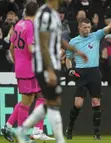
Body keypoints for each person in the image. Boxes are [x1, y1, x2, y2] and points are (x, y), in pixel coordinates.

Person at [13, 0, 88, 143]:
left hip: (51, 64)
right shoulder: (44, 15)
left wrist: (75, 51)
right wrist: (49, 69)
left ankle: (22, 130)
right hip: (45, 65)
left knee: (52, 101)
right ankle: (59, 139)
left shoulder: (54, 15)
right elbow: (43, 43)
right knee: (53, 101)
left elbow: (56, 38)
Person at [65, 8, 111, 140]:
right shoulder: (73, 41)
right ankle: (70, 128)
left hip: (94, 72)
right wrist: (70, 69)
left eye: (88, 27)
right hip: (81, 73)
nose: (87, 30)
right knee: (78, 104)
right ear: (79, 27)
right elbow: (68, 59)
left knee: (95, 102)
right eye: (84, 27)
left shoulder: (96, 35)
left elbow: (110, 26)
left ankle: (97, 133)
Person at [1, 2, 54, 142]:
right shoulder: (30, 26)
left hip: (23, 67)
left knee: (37, 96)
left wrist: (17, 62)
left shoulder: (19, 24)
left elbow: (12, 47)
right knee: (26, 102)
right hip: (29, 69)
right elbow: (31, 49)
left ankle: (18, 128)